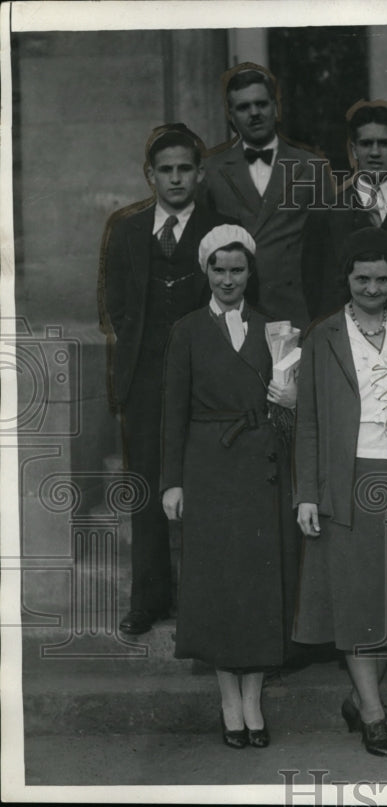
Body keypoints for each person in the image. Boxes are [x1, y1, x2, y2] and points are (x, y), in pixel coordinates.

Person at [293, 227, 387, 757]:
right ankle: (373, 712)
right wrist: (307, 493)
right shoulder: (323, 335)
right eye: (361, 279)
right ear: (346, 280)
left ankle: (360, 699)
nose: (372, 288)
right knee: (355, 600)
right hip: (348, 479)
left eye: (381, 278)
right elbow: (307, 421)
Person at [160, 224, 298, 749]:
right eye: (218, 268)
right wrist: (173, 481)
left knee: (258, 582)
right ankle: (227, 700)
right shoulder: (187, 330)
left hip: (261, 466)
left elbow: (288, 410)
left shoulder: (274, 330)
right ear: (205, 271)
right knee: (217, 580)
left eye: (237, 269)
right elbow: (173, 411)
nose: (227, 278)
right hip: (208, 464)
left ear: (250, 272)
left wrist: (286, 402)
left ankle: (254, 699)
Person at [98, 123, 234, 636]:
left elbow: (236, 299)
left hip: (204, 381)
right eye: (166, 170)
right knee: (147, 487)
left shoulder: (222, 230)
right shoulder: (128, 231)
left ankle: (202, 601)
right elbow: (115, 306)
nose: (176, 178)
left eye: (185, 169)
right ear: (149, 175)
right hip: (145, 380)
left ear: (200, 173)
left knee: (202, 484)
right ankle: (150, 598)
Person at [203, 64, 332, 330]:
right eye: (243, 107)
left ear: (276, 107)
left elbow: (328, 250)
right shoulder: (212, 171)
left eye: (261, 104)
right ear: (231, 115)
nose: (254, 113)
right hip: (234, 313)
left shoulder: (311, 167)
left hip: (297, 312)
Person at [300, 102, 387, 323]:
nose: (375, 152)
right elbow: (314, 292)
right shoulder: (326, 215)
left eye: (384, 144)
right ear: (354, 149)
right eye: (367, 144)